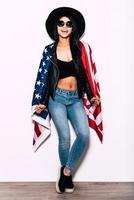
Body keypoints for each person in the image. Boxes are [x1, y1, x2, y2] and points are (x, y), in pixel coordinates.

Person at [31, 7, 101, 194]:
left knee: (84, 135)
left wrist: (91, 94)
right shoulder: (49, 51)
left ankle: (66, 172)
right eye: (61, 23)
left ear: (73, 27)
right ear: (56, 26)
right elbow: (45, 78)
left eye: (68, 23)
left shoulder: (80, 49)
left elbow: (85, 76)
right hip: (57, 99)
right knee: (65, 138)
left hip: (76, 98)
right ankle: (66, 177)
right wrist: (42, 101)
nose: (64, 26)